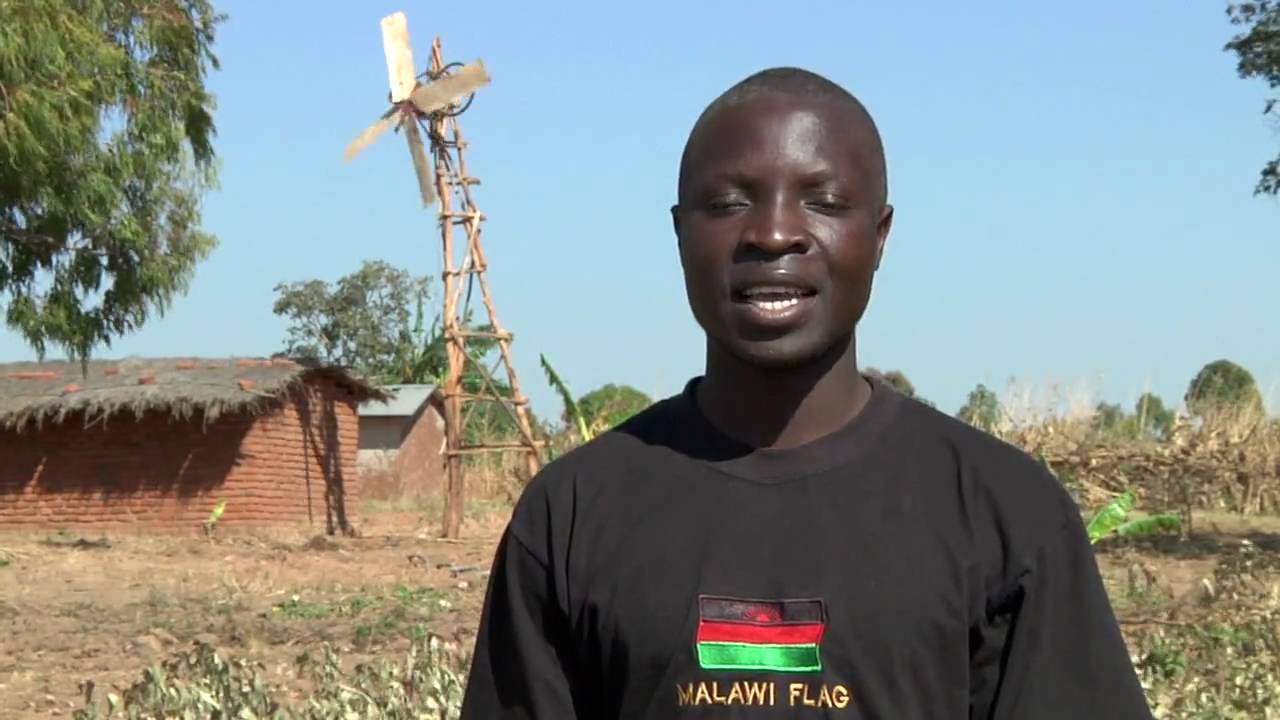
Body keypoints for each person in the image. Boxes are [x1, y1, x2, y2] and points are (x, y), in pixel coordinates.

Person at [459, 67, 1154, 719]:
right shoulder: (572, 513)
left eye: (823, 203)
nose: (773, 233)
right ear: (679, 234)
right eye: (729, 204)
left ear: (878, 236)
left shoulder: (1006, 515)